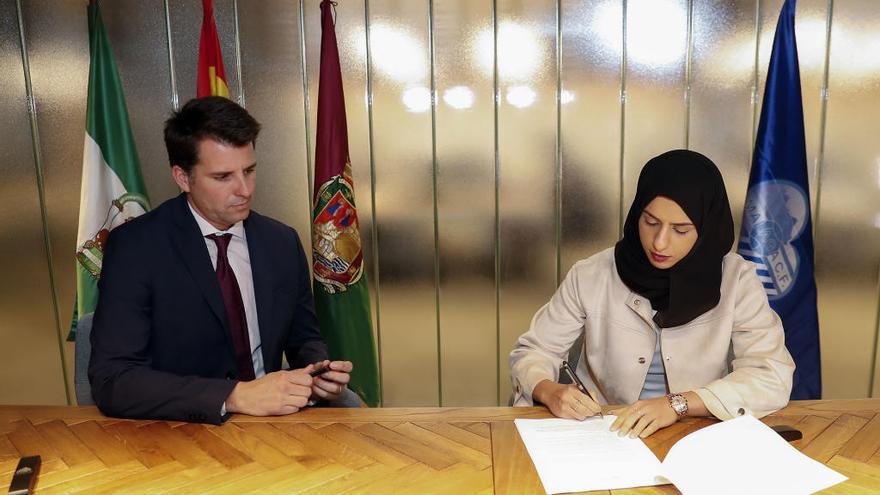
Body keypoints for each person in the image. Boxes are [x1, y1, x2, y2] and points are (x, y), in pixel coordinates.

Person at [89, 96, 354, 424]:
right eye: (223, 176)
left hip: (275, 425)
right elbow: (113, 381)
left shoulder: (281, 241)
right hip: (181, 429)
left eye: (249, 171)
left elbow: (304, 338)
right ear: (183, 178)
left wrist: (317, 370)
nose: (244, 189)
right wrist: (234, 396)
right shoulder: (136, 248)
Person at [509, 149, 795, 438]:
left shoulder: (738, 281)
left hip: (696, 433)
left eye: (680, 230)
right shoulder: (591, 274)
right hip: (605, 432)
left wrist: (678, 405)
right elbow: (534, 351)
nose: (659, 242)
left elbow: (770, 375)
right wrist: (549, 390)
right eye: (651, 222)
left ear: (707, 228)